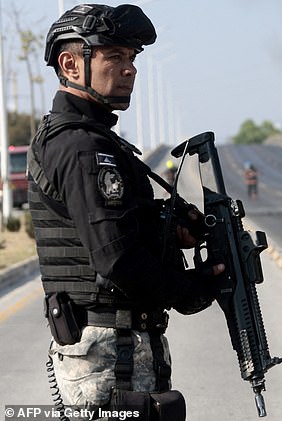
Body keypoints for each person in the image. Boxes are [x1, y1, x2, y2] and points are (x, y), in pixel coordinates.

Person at [28, 4, 223, 419]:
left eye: (132, 58)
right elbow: (116, 257)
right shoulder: (82, 147)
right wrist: (190, 289)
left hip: (121, 350)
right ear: (71, 64)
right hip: (107, 360)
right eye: (114, 56)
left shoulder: (100, 142)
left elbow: (117, 228)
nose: (130, 69)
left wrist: (170, 230)